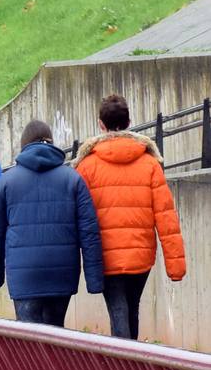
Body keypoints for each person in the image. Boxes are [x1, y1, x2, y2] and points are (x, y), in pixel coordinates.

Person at [74, 93, 186, 340]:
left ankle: (123, 368)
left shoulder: (86, 166)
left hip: (105, 255)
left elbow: (78, 216)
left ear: (101, 124)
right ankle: (132, 365)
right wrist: (175, 265)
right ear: (128, 122)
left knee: (118, 311)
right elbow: (166, 216)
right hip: (140, 254)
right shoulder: (149, 163)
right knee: (131, 308)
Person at [0, 120, 104, 327]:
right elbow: (89, 232)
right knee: (55, 334)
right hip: (62, 273)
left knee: (29, 342)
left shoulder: (6, 181)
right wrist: (95, 280)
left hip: (24, 275)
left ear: (24, 145)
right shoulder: (73, 179)